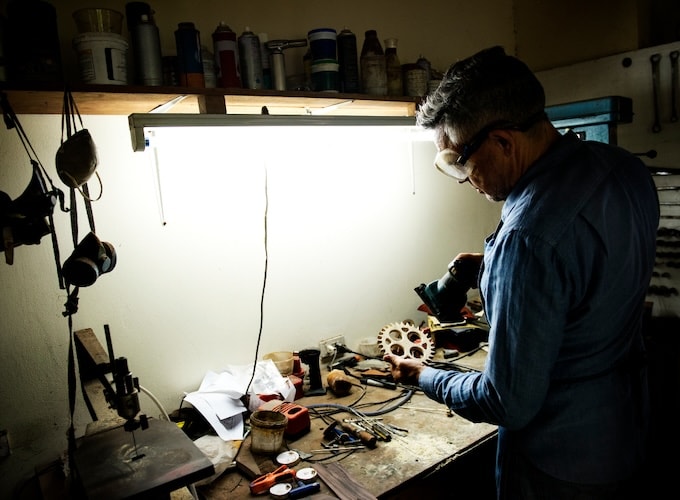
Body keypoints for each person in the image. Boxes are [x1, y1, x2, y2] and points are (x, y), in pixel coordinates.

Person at [383, 46, 659, 500]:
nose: (465, 177)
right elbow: (592, 277)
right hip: (624, 436)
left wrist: (422, 374)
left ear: (504, 142)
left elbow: (506, 401)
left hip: (557, 466)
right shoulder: (623, 169)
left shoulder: (527, 238)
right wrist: (493, 268)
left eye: (458, 161)